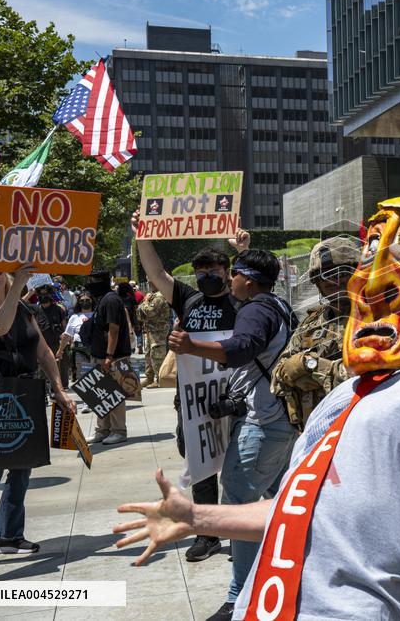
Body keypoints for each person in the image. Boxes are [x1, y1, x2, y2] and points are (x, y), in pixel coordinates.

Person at [113, 194, 400, 621]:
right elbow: (297, 510)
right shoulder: (342, 398)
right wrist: (196, 516)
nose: (364, 297)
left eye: (391, 295)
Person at [165, 247, 299, 619]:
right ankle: (291, 571)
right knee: (279, 499)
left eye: (234, 274)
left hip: (263, 422)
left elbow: (241, 348)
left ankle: (241, 596)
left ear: (248, 280)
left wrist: (192, 346)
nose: (229, 280)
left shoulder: (255, 308)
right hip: (282, 418)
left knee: (239, 504)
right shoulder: (280, 306)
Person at [131, 216, 250, 568]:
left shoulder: (241, 302)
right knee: (200, 466)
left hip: (235, 398)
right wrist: (142, 237)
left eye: (215, 267)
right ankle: (207, 535)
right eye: (201, 269)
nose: (207, 273)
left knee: (240, 466)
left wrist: (243, 250)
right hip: (193, 402)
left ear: (228, 272)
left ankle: (242, 527)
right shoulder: (189, 299)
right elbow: (156, 274)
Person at [0, 265, 76, 574]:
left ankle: (9, 535)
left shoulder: (25, 309)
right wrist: (18, 286)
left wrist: (59, 389)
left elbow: (43, 352)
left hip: (24, 393)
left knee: (22, 467)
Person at [271, 236, 359, 430]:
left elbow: (374, 378)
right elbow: (278, 376)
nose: (335, 281)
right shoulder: (312, 321)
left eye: (343, 273)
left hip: (356, 431)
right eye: (327, 275)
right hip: (315, 433)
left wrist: (312, 367)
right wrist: (300, 367)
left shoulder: (377, 317)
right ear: (317, 281)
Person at [84, 271, 134, 445]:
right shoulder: (103, 299)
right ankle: (103, 430)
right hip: (100, 355)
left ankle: (119, 431)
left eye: (94, 281)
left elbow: (114, 329)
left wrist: (109, 356)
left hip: (113, 357)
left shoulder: (111, 300)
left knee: (114, 395)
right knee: (100, 395)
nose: (90, 284)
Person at [137, 289, 171, 389]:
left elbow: (149, 312)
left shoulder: (159, 297)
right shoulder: (151, 296)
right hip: (150, 331)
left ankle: (160, 379)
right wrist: (145, 303)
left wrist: (145, 302)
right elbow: (139, 314)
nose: (149, 283)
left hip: (158, 332)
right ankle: (149, 378)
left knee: (157, 356)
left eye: (151, 281)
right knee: (148, 355)